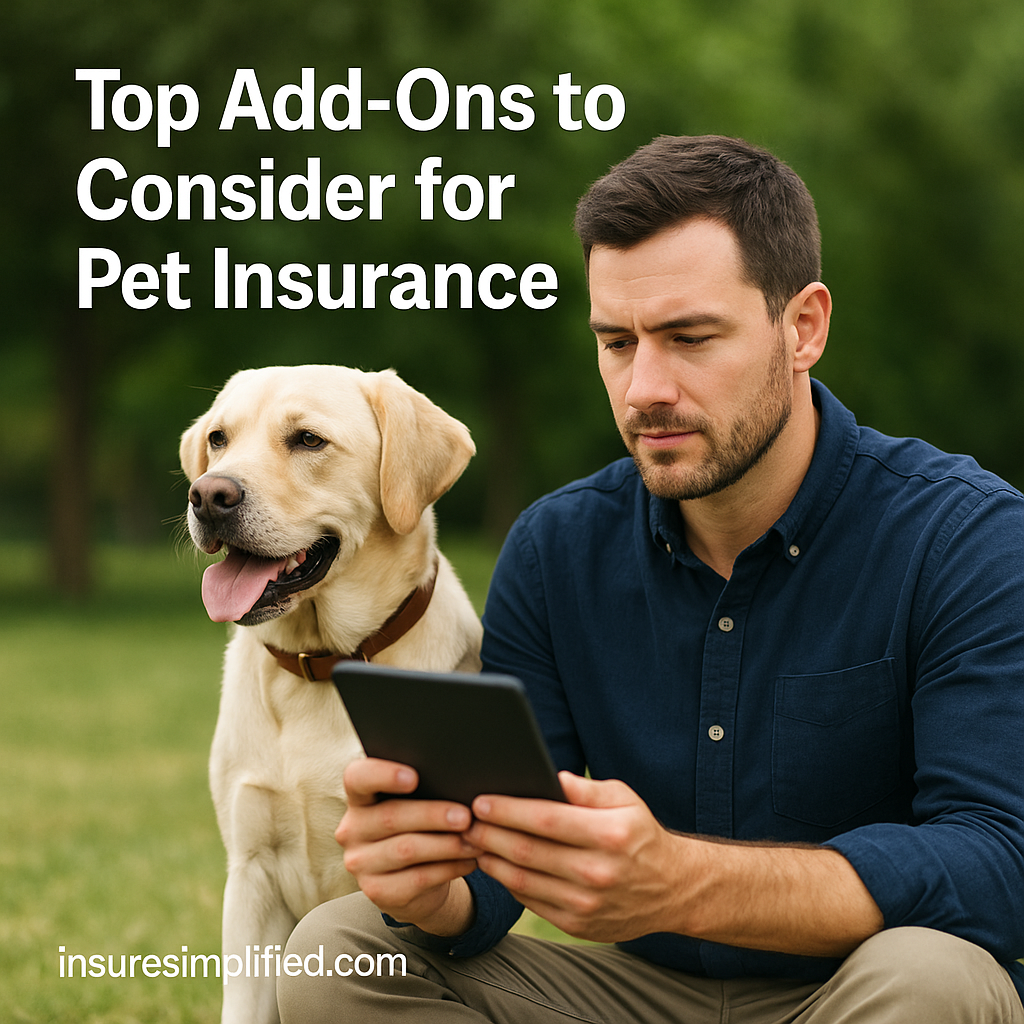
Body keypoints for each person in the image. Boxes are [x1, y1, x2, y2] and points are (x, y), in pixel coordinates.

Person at [278, 135, 1024, 1022]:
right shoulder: (556, 550)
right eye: (618, 342)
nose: (644, 389)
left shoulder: (966, 536)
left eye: (689, 337)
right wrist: (431, 885)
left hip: (858, 990)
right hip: (635, 999)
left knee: (933, 978)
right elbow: (495, 864)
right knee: (338, 950)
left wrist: (684, 884)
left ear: (804, 327)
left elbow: (999, 862)